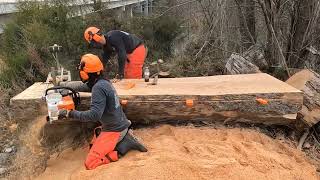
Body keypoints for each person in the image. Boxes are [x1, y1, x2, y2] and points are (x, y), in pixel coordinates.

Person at [58, 54, 147, 170]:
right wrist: (63, 86)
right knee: (92, 146)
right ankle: (122, 139)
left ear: (85, 73)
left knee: (90, 162)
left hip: (115, 130)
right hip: (117, 124)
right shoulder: (102, 81)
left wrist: (70, 113)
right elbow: (83, 86)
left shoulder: (98, 88)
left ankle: (123, 146)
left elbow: (94, 115)